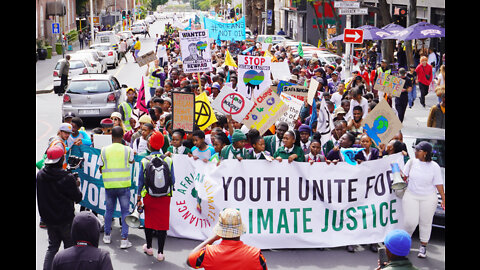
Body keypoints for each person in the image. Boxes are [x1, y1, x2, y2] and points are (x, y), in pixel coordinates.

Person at [36, 146, 83, 270]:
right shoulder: (67, 177)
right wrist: (75, 183)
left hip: (49, 220)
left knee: (52, 247)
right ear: (62, 159)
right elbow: (78, 198)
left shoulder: (40, 175)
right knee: (69, 248)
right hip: (66, 220)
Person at [401, 141, 445, 258]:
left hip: (428, 198)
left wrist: (443, 199)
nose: (415, 152)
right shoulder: (411, 162)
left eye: (418, 150)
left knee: (425, 222)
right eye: (415, 150)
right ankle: (406, 243)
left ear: (425, 153)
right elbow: (403, 177)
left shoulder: (434, 167)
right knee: (410, 222)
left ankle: (423, 246)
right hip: (411, 195)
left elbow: (439, 184)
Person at [186, 208, 268, 270]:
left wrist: (212, 238)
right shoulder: (255, 255)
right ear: (240, 230)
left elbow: (189, 261)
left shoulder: (207, 253)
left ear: (220, 231)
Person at [137, 131, 174, 262]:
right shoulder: (169, 160)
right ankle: (160, 253)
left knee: (149, 222)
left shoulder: (144, 161)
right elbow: (172, 180)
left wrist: (138, 197)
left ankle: (149, 247)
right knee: (162, 224)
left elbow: (140, 181)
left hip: (149, 196)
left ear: (149, 145)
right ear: (162, 145)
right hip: (165, 197)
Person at [99, 126, 135, 249]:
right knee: (125, 212)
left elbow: (101, 166)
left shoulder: (104, 150)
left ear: (111, 136)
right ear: (123, 136)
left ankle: (107, 236)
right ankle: (124, 239)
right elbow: (131, 161)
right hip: (124, 185)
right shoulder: (128, 149)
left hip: (109, 185)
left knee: (109, 211)